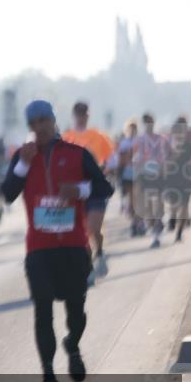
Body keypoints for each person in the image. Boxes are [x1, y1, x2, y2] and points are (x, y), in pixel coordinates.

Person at [1, 100, 113, 382]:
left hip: (74, 246)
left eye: (43, 120)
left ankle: (73, 344)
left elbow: (104, 188)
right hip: (39, 249)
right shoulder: (22, 157)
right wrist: (22, 165)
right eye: (33, 122)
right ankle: (48, 375)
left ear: (53, 120)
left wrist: (80, 191)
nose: (39, 127)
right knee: (42, 311)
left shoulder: (76, 154)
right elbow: (8, 194)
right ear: (29, 126)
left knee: (76, 310)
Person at [62, 101, 115, 282]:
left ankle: (99, 251)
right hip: (76, 190)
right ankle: (88, 267)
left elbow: (112, 160)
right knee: (82, 232)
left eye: (84, 114)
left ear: (88, 115)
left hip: (95, 188)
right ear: (73, 115)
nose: (81, 117)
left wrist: (103, 170)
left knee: (94, 229)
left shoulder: (98, 136)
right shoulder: (66, 137)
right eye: (78, 113)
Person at [132, 112, 171, 248]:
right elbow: (135, 159)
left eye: (151, 122)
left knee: (159, 201)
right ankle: (154, 227)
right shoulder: (140, 140)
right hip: (145, 175)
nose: (149, 125)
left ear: (154, 122)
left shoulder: (162, 138)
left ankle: (158, 225)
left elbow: (169, 156)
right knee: (147, 204)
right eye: (146, 122)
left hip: (159, 174)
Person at [165, 116, 191, 243]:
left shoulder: (190, 144)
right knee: (174, 203)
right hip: (172, 177)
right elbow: (165, 161)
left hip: (186, 177)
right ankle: (173, 218)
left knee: (184, 205)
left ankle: (179, 232)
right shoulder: (169, 144)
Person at [116, 120, 139, 231]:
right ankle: (134, 222)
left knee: (137, 198)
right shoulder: (124, 142)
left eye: (134, 128)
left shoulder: (140, 140)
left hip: (139, 173)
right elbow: (120, 159)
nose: (133, 131)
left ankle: (137, 221)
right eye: (131, 128)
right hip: (128, 173)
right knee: (132, 199)